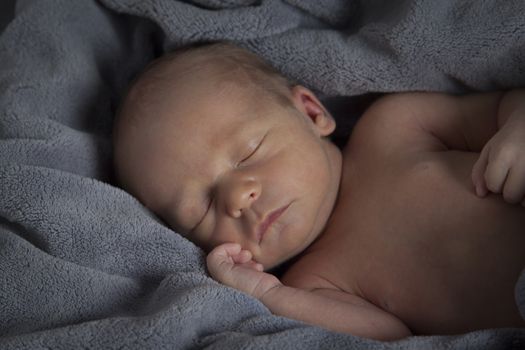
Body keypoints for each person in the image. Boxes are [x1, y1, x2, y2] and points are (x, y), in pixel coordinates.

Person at [112, 42, 525, 340]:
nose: (237, 198)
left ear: (312, 112)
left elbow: (500, 106)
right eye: (200, 209)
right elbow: (387, 334)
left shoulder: (393, 128)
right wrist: (267, 294)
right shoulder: (311, 284)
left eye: (249, 153)